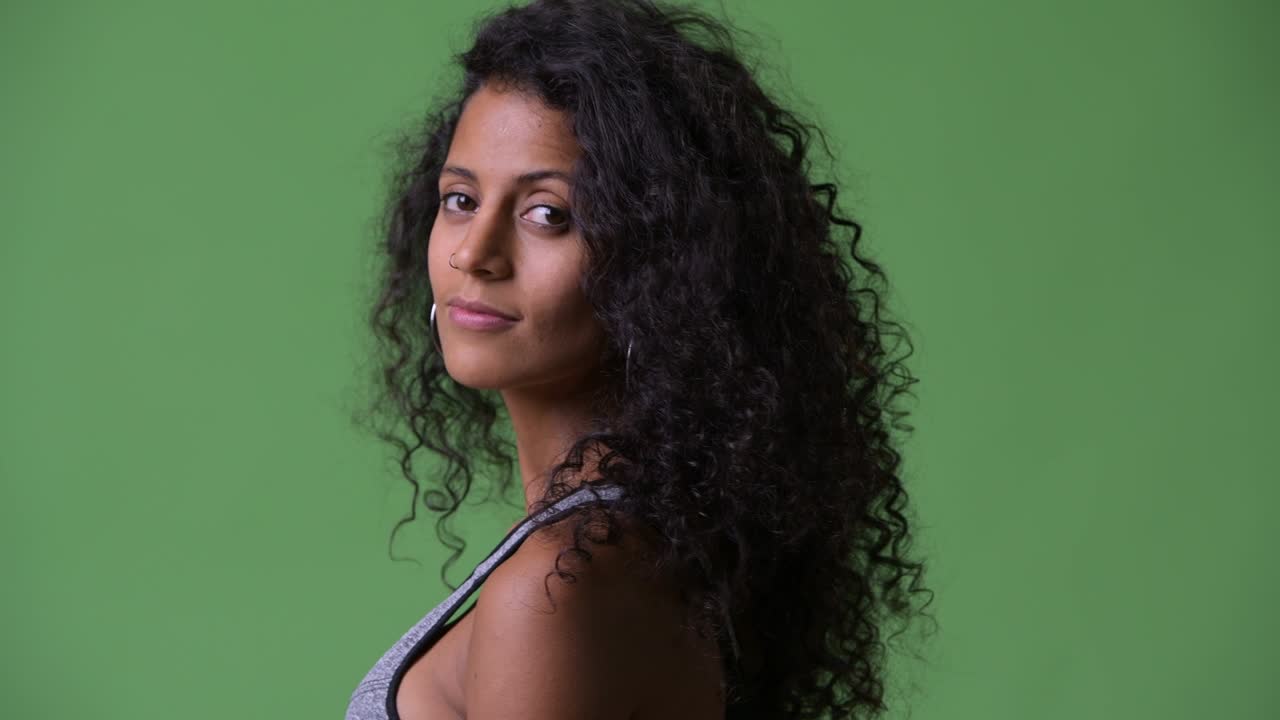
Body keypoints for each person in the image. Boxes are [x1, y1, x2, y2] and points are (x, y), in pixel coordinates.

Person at [348, 1, 934, 718]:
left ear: (659, 270)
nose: (474, 253)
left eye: (549, 215)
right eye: (461, 198)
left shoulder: (563, 583)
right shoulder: (620, 543)